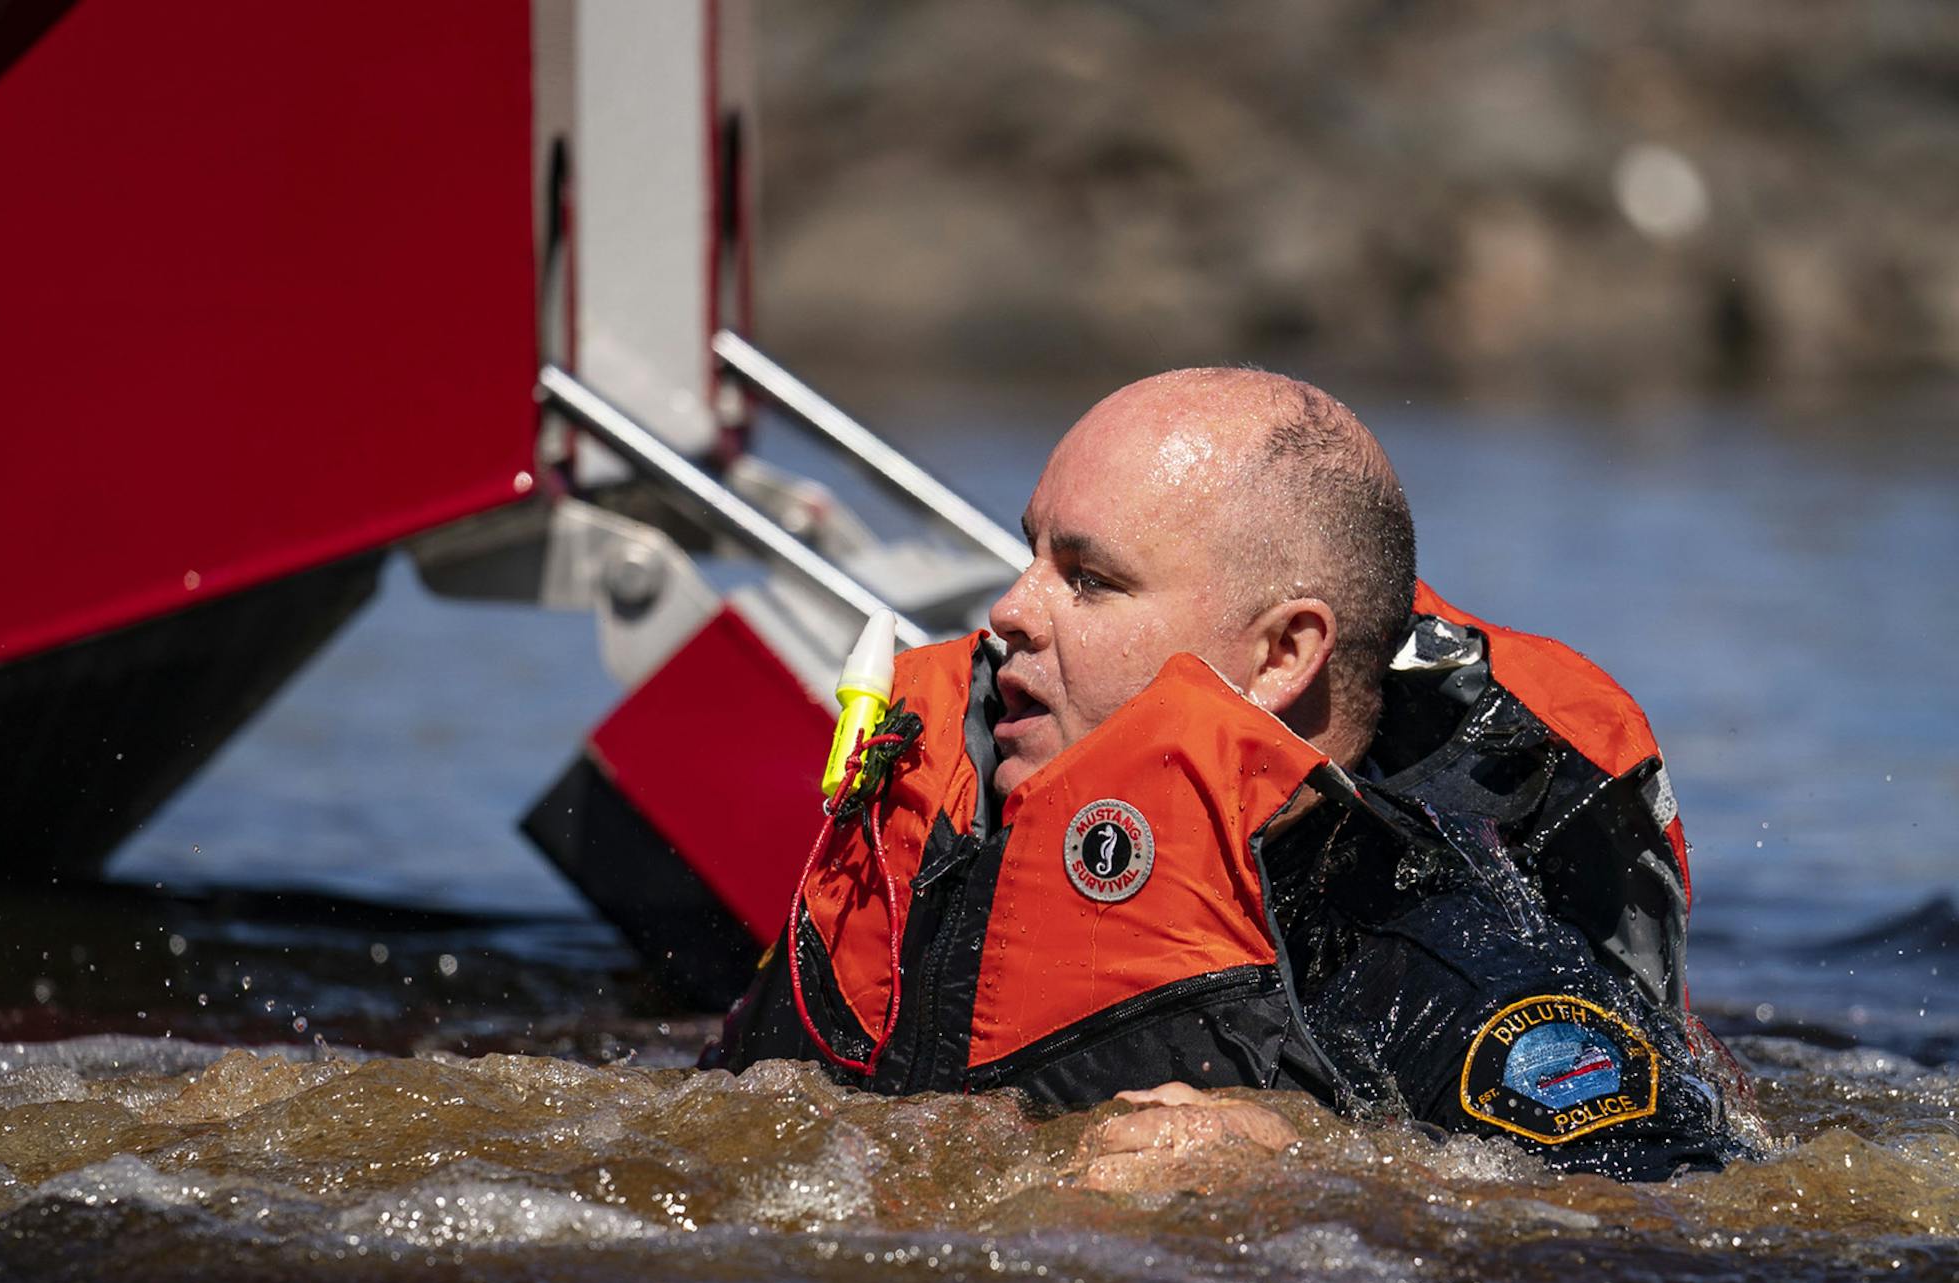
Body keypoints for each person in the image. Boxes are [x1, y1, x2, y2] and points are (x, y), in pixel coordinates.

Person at [709, 368, 1734, 1183]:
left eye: (1090, 579)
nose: (1011, 610)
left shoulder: (1453, 981)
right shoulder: (929, 868)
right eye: (1031, 556)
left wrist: (1325, 1171)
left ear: (1282, 654)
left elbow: (1684, 1241)